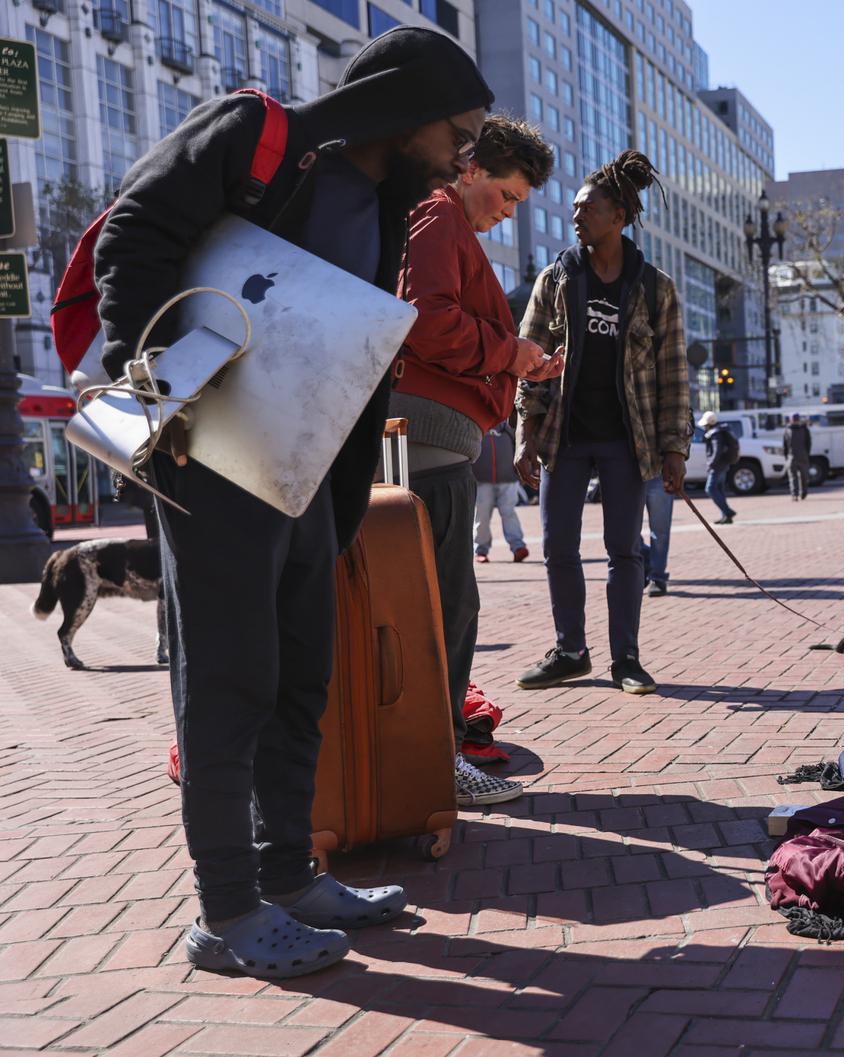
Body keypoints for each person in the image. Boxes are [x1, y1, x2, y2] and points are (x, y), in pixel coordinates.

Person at [94, 27, 493, 978]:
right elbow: (132, 236)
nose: (467, 154)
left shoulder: (391, 201)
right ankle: (225, 910)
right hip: (212, 452)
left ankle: (288, 873)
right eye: (460, 131)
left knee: (302, 671)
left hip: (302, 465)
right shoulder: (254, 136)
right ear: (403, 103)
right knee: (229, 678)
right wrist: (146, 385)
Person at [394, 113, 561, 797]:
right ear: (470, 170)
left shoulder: (445, 221)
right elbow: (426, 318)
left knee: (443, 604)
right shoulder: (437, 216)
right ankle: (437, 762)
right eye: (508, 196)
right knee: (444, 607)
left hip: (438, 437)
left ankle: (433, 756)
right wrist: (510, 353)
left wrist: (518, 363)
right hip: (428, 440)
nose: (509, 214)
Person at [513, 150, 690, 696]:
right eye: (574, 209)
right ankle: (570, 650)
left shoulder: (654, 287)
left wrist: (674, 447)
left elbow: (672, 373)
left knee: (625, 551)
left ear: (619, 215)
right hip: (563, 437)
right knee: (558, 546)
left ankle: (626, 660)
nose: (576, 216)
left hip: (624, 440)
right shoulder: (557, 279)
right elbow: (528, 358)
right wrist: (525, 432)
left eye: (587, 208)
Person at [475, 421, 529, 563]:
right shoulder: (477, 424)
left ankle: (518, 547)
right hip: (482, 480)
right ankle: (481, 550)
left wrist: (520, 472)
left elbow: (519, 446)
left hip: (508, 479)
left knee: (509, 512)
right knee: (482, 516)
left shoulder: (508, 426)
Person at [700, 410, 738, 523]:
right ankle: (726, 517)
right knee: (720, 490)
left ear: (709, 423)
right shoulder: (720, 430)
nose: (704, 427)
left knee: (710, 489)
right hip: (723, 465)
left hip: (717, 466)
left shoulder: (716, 433)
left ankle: (727, 512)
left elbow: (717, 450)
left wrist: (711, 463)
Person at [640, 475, 674, 596]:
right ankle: (646, 558)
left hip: (658, 470)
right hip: (625, 469)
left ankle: (657, 577)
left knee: (660, 530)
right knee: (626, 531)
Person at [783, 412, 812, 501]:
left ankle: (799, 494)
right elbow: (808, 443)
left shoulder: (789, 430)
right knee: (799, 477)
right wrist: (807, 453)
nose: (795, 421)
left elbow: (785, 445)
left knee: (798, 476)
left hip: (795, 456)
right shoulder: (803, 429)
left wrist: (787, 456)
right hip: (798, 456)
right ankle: (798, 494)